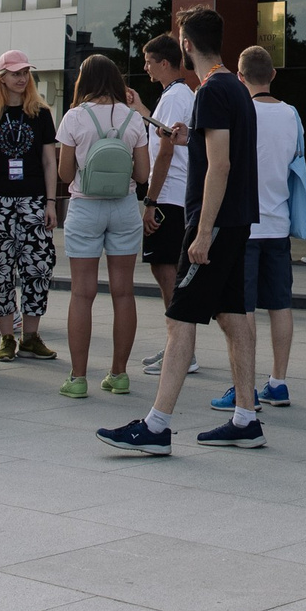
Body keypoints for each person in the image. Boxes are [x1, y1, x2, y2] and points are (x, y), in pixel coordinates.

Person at [97, 8, 262, 453]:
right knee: (232, 316)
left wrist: (203, 231)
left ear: (186, 45)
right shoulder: (237, 89)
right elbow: (222, 152)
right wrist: (192, 138)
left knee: (179, 318)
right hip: (239, 218)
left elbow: (221, 166)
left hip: (216, 222)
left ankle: (156, 427)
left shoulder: (209, 90)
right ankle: (246, 418)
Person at [210, 45, 300, 414]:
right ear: (274, 74)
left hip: (243, 223)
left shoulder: (239, 110)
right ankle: (278, 382)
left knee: (240, 307)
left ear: (240, 77)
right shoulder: (291, 113)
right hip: (278, 222)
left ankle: (241, 386)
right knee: (279, 304)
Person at [55, 54, 149, 399]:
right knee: (124, 292)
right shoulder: (133, 118)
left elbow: (65, 175)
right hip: (124, 208)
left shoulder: (74, 117)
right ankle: (119, 374)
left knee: (82, 293)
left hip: (85, 208)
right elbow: (142, 176)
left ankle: (78, 378)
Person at [0, 49, 60, 362]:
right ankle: (7, 337)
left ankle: (30, 336)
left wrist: (50, 202)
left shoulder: (41, 113)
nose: (21, 79)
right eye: (15, 73)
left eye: (25, 73)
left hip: (33, 199)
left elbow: (49, 161)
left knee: (38, 266)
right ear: (1, 77)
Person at [130, 35, 201, 376]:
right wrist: (142, 110)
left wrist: (150, 201)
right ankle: (179, 345)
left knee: (166, 271)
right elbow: (161, 134)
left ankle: (183, 350)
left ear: (163, 62)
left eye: (148, 60)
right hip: (174, 195)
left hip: (170, 196)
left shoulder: (175, 97)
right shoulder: (175, 95)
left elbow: (167, 151)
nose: (144, 67)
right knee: (165, 271)